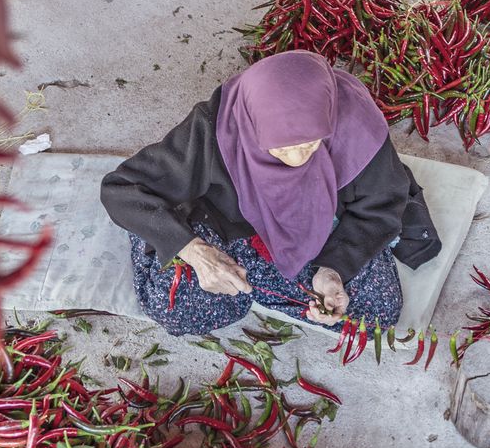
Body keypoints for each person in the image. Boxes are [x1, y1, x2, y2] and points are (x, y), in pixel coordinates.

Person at [101, 51, 441, 337]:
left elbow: (381, 207)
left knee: (375, 314)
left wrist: (334, 269)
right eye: (278, 150)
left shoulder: (356, 126)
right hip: (227, 228)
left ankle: (272, 287)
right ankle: (177, 247)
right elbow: (121, 189)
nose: (297, 160)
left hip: (321, 226)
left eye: (310, 144)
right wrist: (195, 252)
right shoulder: (218, 126)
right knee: (177, 308)